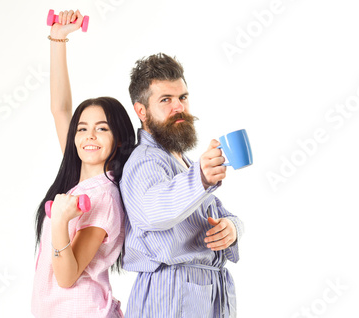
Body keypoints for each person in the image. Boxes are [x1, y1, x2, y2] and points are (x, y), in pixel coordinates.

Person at [120, 53, 244, 317]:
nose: (179, 107)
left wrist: (232, 228)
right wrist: (200, 175)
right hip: (170, 294)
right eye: (166, 100)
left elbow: (220, 213)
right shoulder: (145, 160)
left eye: (183, 98)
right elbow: (154, 210)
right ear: (141, 111)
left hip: (207, 291)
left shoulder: (182, 160)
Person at [31, 10, 135, 318]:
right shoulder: (79, 176)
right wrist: (59, 36)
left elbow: (67, 276)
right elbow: (60, 108)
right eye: (82, 128)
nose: (90, 135)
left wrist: (61, 221)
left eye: (102, 128)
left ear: (118, 138)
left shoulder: (102, 196)